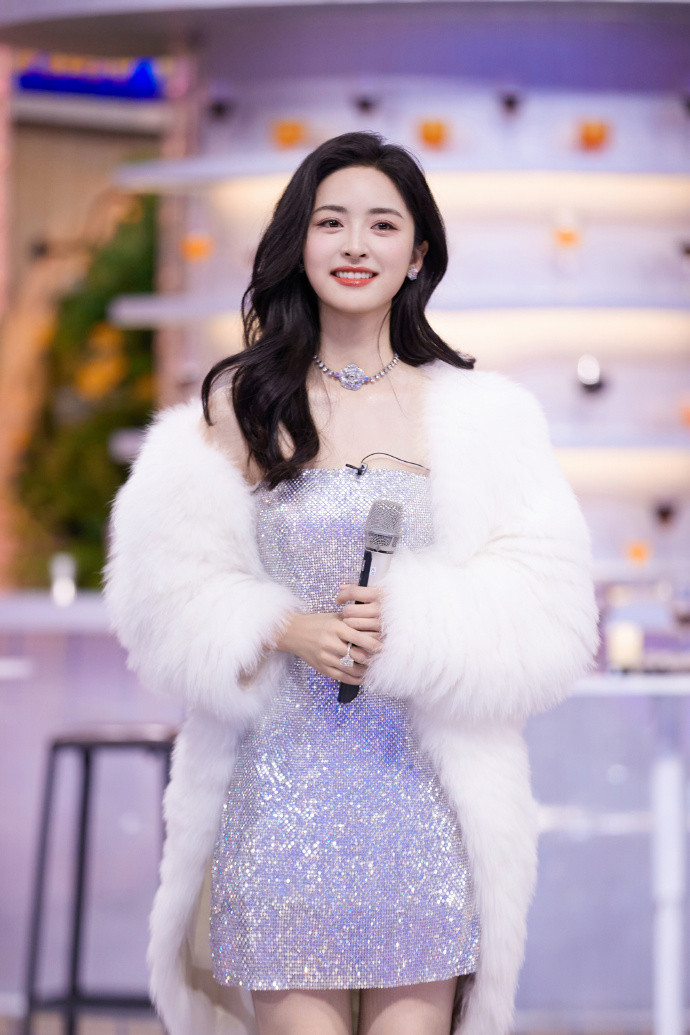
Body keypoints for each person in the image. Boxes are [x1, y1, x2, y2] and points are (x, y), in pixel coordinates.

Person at [103, 131, 599, 1035]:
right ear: (299, 241)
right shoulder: (241, 404)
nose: (355, 244)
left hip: (426, 804)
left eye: (382, 224)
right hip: (278, 801)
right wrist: (280, 624)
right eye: (331, 222)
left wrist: (416, 619)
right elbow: (161, 588)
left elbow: (549, 609)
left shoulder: (482, 417)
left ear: (419, 253)